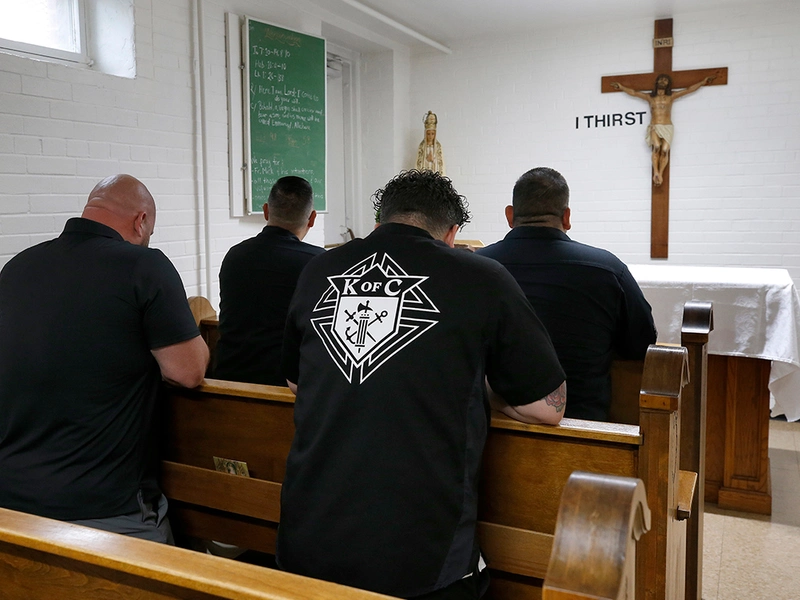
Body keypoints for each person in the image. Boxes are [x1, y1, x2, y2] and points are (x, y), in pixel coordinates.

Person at [277, 169, 566, 599]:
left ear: (379, 223)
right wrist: (473, 383)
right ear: (451, 234)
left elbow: (295, 381)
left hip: (306, 540)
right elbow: (548, 406)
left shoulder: (319, 269)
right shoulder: (482, 276)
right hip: (416, 555)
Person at [0, 174, 209, 544]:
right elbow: (187, 372)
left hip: (13, 501)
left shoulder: (17, 267)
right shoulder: (145, 266)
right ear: (140, 221)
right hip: (105, 509)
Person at [477, 167, 657, 421]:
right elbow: (642, 345)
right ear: (566, 216)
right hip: (585, 429)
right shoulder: (607, 270)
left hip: (490, 429)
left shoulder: (477, 267)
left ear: (510, 215)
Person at [213, 176, 324, 385]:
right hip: (288, 386)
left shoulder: (235, 256)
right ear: (312, 219)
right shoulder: (317, 263)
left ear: (265, 211)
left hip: (229, 379)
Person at [611, 72, 717, 185]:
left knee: (665, 150)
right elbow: (634, 93)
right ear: (657, 82)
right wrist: (621, 87)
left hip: (667, 126)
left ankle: (660, 173)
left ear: (668, 84)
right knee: (656, 147)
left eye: (665, 80)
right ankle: (655, 171)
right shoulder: (650, 97)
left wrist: (702, 82)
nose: (663, 81)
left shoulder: (670, 97)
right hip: (655, 126)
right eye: (661, 79)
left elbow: (688, 90)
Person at [415, 110, 446, 175]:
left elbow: (440, 164)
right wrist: (427, 160)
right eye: (428, 134)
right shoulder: (422, 146)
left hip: (435, 172)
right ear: (425, 134)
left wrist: (433, 159)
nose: (430, 136)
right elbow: (419, 163)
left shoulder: (438, 146)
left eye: (432, 134)